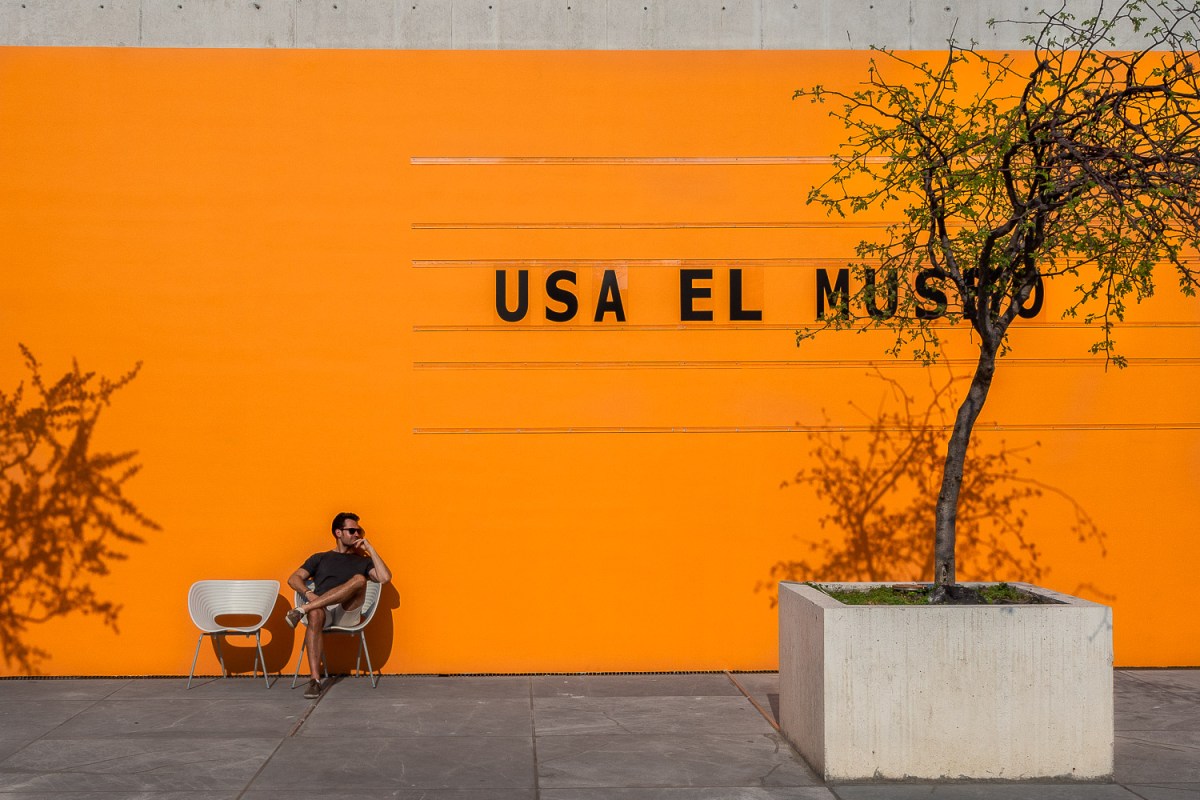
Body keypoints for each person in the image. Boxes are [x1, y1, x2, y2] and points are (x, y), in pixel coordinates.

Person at [286, 511, 392, 699]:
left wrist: (370, 548)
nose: (357, 535)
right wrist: (309, 594)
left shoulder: (363, 561)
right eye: (352, 530)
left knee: (359, 579)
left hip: (347, 612)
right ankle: (315, 681)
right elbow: (293, 579)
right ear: (338, 533)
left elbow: (384, 578)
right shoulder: (320, 558)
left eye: (359, 531)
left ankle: (301, 610)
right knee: (316, 613)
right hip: (322, 612)